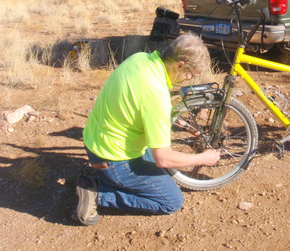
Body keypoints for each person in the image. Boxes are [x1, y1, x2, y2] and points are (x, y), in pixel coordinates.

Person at [74, 33, 220, 226]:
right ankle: (99, 193)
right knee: (171, 201)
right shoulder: (156, 94)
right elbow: (163, 158)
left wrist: (187, 127)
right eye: (190, 75)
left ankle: (108, 181)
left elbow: (142, 109)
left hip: (95, 141)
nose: (188, 79)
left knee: (160, 167)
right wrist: (203, 158)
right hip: (114, 160)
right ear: (180, 65)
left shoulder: (140, 59)